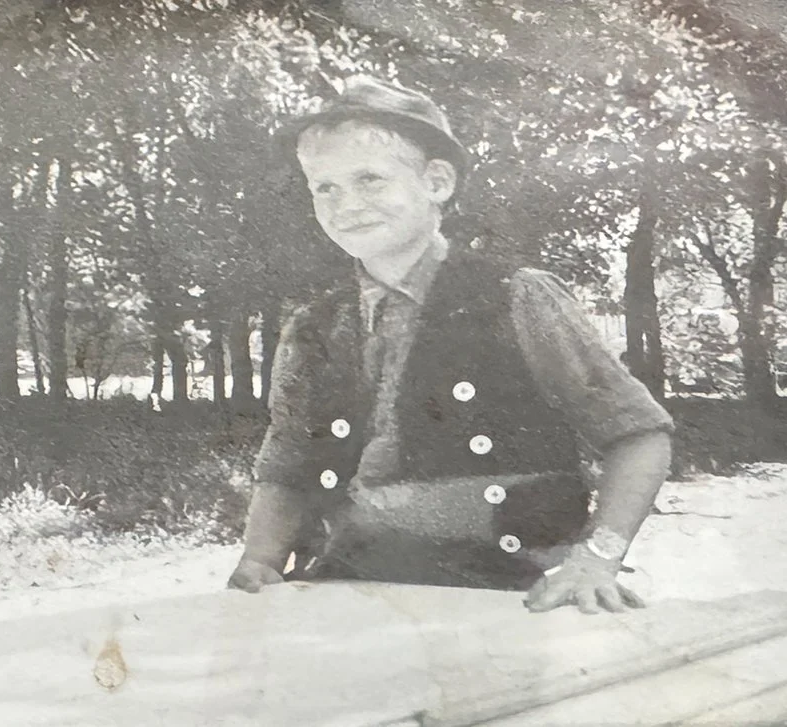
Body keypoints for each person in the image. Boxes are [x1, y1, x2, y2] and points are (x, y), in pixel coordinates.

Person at [227, 75, 675, 615]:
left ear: (437, 182)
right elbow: (287, 466)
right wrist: (261, 560)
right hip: (347, 582)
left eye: (369, 178)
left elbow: (640, 434)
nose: (346, 204)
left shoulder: (515, 297)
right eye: (325, 187)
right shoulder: (314, 326)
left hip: (505, 587)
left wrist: (597, 558)